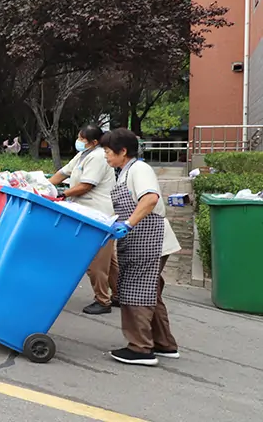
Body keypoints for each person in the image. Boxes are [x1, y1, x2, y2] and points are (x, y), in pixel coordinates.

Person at [101, 128, 181, 366]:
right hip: (142, 239)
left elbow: (150, 199)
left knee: (136, 291)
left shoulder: (139, 169)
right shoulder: (124, 172)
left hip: (149, 239)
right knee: (150, 290)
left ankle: (140, 348)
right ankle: (164, 343)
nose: (105, 155)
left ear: (122, 151)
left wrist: (127, 224)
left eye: (107, 151)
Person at [48, 124, 119, 315]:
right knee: (109, 260)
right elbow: (63, 172)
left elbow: (87, 185)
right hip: (86, 211)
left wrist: (62, 194)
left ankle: (103, 301)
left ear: (94, 142)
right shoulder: (83, 155)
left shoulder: (98, 157)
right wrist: (44, 186)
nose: (78, 141)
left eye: (82, 139)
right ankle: (120, 295)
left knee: (96, 261)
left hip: (97, 214)